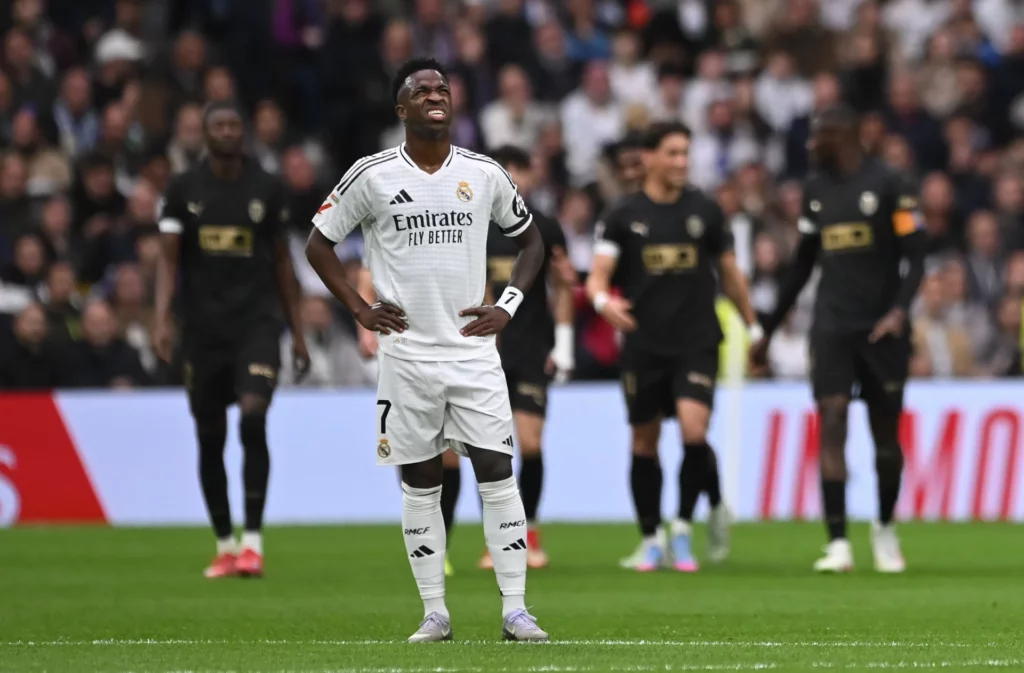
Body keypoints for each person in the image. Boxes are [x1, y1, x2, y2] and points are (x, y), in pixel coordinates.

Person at [304, 57, 549, 643]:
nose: (435, 95)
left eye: (442, 88)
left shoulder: (484, 173)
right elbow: (318, 244)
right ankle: (434, 611)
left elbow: (533, 240)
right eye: (421, 90)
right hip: (406, 355)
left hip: (472, 352)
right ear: (401, 108)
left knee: (497, 468)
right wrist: (359, 309)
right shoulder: (372, 174)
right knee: (420, 480)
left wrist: (509, 305)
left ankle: (515, 609)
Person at [750, 105, 927, 574]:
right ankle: (838, 543)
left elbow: (918, 257)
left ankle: (885, 528)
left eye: (818, 138)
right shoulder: (815, 191)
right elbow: (803, 264)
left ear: (844, 135)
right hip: (831, 327)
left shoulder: (893, 184)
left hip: (881, 329)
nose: (810, 147)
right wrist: (766, 331)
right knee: (831, 420)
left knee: (886, 442)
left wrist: (899, 311)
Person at [586, 121, 758, 573]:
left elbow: (731, 274)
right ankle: (650, 537)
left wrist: (754, 327)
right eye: (673, 153)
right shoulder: (622, 216)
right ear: (649, 158)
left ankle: (683, 528)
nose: (681, 162)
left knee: (694, 432)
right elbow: (598, 275)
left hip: (697, 341)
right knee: (645, 440)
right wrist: (603, 301)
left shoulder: (706, 210)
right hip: (644, 344)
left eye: (686, 153)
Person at [154, 102, 310, 580]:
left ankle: (254, 544)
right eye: (218, 125)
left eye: (233, 125)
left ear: (242, 133)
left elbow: (284, 263)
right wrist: (161, 318)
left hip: (257, 326)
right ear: (204, 134)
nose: (227, 132)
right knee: (209, 436)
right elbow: (168, 261)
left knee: (252, 415)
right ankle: (224, 544)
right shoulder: (183, 190)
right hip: (202, 332)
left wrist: (298, 332)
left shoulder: (267, 187)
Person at [434, 144, 575, 572]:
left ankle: (529, 531)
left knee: (530, 443)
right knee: (484, 447)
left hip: (532, 349)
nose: (514, 177)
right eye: (505, 169)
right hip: (480, 353)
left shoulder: (545, 227)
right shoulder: (472, 224)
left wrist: (564, 344)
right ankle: (494, 540)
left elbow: (564, 284)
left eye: (520, 169)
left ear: (531, 175)